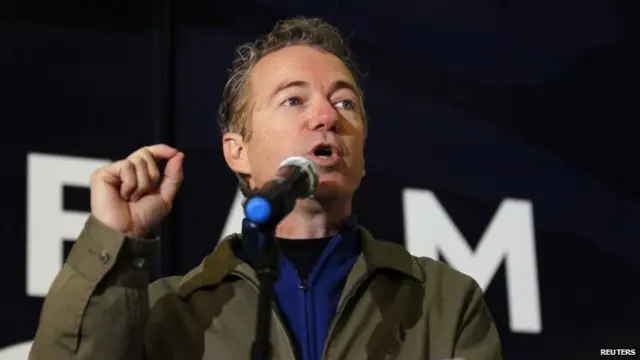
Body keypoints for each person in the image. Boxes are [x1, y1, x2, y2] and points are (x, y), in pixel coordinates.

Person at [29, 17, 502, 360]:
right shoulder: (170, 313)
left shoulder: (442, 301)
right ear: (237, 152)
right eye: (293, 99)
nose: (326, 116)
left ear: (362, 151)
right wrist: (116, 240)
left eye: (345, 103)